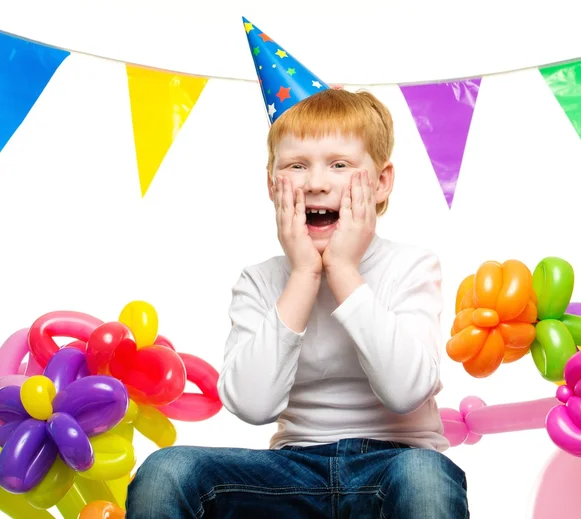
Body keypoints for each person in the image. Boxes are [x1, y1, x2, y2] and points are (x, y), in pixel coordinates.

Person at [125, 18, 469, 519]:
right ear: (271, 185)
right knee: (168, 470)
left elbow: (406, 390)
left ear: (381, 182)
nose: (316, 184)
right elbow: (253, 405)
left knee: (425, 476)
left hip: (396, 467)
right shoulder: (259, 281)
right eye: (297, 166)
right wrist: (304, 275)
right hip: (291, 472)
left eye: (339, 164)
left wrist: (345, 271)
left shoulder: (410, 265)